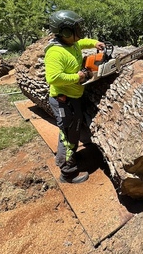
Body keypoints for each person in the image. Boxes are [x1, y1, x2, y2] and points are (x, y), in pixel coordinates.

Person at [44, 10, 105, 184]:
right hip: (64, 99)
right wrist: (77, 77)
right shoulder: (55, 52)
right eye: (76, 28)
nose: (79, 31)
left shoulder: (71, 43)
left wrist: (95, 43)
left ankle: (77, 151)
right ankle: (67, 172)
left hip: (74, 96)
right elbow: (53, 78)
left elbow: (82, 42)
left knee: (75, 128)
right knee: (68, 135)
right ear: (65, 31)